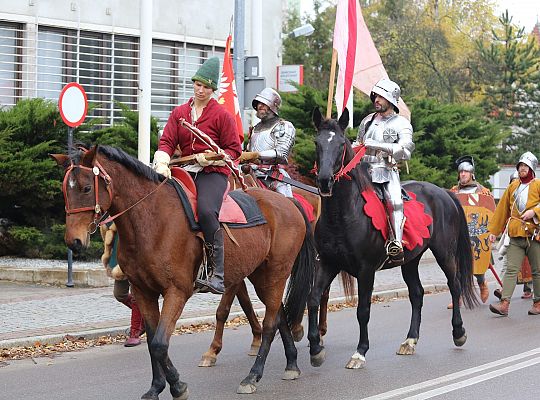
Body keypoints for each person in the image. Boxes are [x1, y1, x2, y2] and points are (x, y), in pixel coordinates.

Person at [152, 57, 242, 294]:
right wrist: (162, 159)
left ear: (213, 90)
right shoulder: (180, 112)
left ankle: (217, 273)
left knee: (205, 210)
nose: (200, 90)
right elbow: (167, 141)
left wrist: (213, 156)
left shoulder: (222, 116)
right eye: (197, 84)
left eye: (205, 86)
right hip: (183, 170)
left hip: (212, 172)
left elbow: (235, 150)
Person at [354, 78, 414, 265]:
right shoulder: (367, 121)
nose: (376, 100)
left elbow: (406, 150)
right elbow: (359, 142)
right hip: (362, 170)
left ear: (390, 99)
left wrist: (378, 145)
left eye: (381, 96)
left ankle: (395, 242)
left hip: (386, 170)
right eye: (375, 96)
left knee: (394, 202)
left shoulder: (401, 123)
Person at [488, 152, 540, 316]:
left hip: (534, 235)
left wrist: (534, 212)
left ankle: (538, 303)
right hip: (515, 234)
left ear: (531, 168)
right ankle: (504, 304)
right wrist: (493, 231)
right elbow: (502, 210)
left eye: (525, 166)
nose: (522, 169)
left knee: (537, 271)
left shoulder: (538, 184)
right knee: (511, 270)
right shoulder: (513, 186)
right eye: (520, 166)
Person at [448, 155, 493, 306]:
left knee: (477, 267)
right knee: (457, 268)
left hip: (476, 233)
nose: (462, 174)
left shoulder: (483, 192)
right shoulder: (454, 192)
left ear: (471, 174)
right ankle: (457, 297)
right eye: (460, 172)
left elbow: (490, 212)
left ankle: (482, 283)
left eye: (465, 172)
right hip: (459, 235)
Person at [241, 87, 296, 197]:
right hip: (250, 173)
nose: (259, 106)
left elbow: (281, 154)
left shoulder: (284, 126)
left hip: (272, 176)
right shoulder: (255, 128)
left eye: (264, 103)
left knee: (283, 206)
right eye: (258, 103)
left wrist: (256, 155)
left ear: (273, 106)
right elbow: (248, 152)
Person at [100, 223, 144, 347]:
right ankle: (146, 317)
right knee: (119, 294)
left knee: (137, 296)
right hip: (119, 257)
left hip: (136, 254)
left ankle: (135, 333)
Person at [493, 171, 533, 300]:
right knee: (509, 264)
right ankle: (503, 290)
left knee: (531, 263)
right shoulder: (509, 196)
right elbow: (501, 214)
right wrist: (494, 231)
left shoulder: (532, 193)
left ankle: (529, 288)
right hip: (511, 234)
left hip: (530, 233)